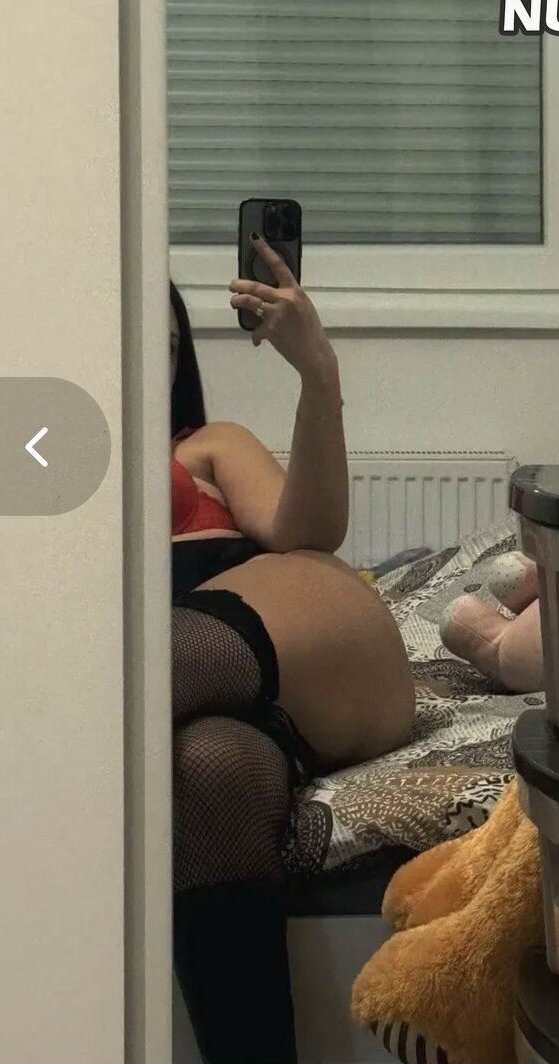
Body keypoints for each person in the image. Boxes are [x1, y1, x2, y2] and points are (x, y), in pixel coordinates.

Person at [171, 235, 416, 1064]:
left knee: (142, 670)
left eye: (164, 343)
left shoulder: (206, 445)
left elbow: (307, 531)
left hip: (278, 634)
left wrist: (317, 373)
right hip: (228, 718)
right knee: (207, 770)